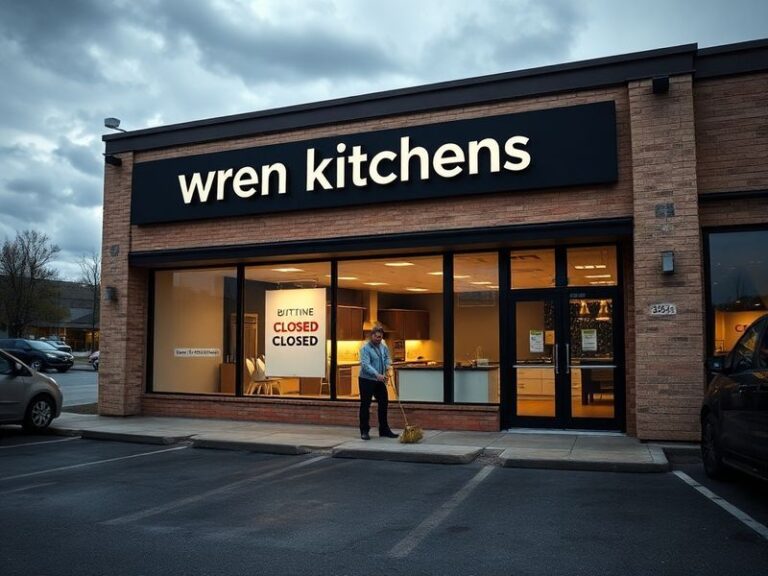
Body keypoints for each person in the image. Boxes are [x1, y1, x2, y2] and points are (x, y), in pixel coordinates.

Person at [358, 324, 398, 440]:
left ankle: (384, 430)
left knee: (384, 403)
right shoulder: (365, 348)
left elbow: (387, 358)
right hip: (366, 380)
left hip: (380, 379)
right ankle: (364, 431)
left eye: (380, 337)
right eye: (376, 337)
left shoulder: (383, 346)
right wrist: (377, 374)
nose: (378, 339)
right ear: (372, 336)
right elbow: (365, 365)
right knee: (365, 405)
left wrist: (387, 367)